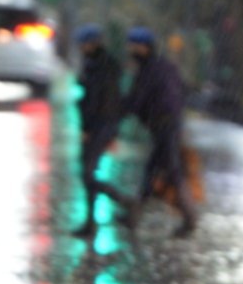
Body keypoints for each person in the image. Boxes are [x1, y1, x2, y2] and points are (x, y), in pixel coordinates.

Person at [118, 26, 198, 238]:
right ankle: (134, 215)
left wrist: (118, 111)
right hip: (167, 125)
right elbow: (181, 91)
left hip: (165, 126)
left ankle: (190, 219)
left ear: (144, 47)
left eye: (134, 46)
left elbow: (138, 99)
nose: (131, 50)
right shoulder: (163, 67)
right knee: (152, 172)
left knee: (173, 173)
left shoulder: (150, 70)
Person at [70, 24, 132, 238]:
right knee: (88, 174)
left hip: (99, 127)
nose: (81, 48)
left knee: (88, 173)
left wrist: (88, 128)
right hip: (102, 126)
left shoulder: (100, 68)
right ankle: (91, 221)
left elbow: (97, 102)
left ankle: (123, 201)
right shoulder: (100, 66)